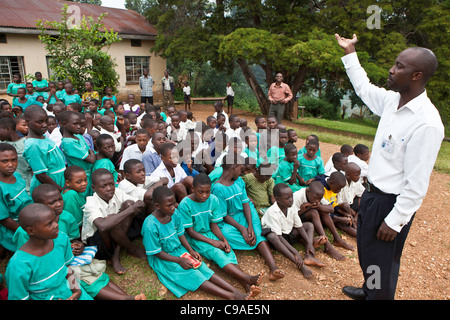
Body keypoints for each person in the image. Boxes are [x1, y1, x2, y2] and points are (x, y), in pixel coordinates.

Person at [335, 33, 444, 300]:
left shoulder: (427, 123)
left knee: (383, 261)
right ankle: (369, 289)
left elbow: (417, 183)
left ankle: (377, 295)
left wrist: (395, 220)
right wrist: (350, 52)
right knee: (369, 252)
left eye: (399, 66)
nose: (391, 70)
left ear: (417, 76)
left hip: (390, 203)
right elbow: (363, 87)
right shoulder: (392, 102)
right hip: (372, 195)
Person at [141, 185, 258, 300]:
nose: (173, 207)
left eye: (174, 203)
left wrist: (191, 251)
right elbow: (157, 252)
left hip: (180, 250)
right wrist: (179, 260)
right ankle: (231, 296)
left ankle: (235, 291)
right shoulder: (150, 225)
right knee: (194, 275)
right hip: (164, 258)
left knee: (204, 269)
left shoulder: (174, 214)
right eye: (169, 205)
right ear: (157, 206)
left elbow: (181, 234)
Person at [177, 173, 264, 295]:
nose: (204, 195)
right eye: (200, 192)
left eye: (208, 192)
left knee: (227, 253)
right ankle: (248, 278)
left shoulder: (213, 200)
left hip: (210, 232)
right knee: (218, 253)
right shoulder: (185, 204)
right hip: (196, 237)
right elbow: (190, 232)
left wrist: (223, 240)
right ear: (192, 189)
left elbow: (214, 225)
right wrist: (214, 242)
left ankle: (247, 286)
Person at [211, 153, 284, 281]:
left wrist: (249, 225)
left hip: (245, 213)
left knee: (256, 228)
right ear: (234, 166)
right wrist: (242, 229)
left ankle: (273, 268)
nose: (242, 171)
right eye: (240, 168)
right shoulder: (217, 188)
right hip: (230, 220)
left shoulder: (239, 181)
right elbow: (224, 215)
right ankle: (255, 242)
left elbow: (245, 203)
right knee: (225, 234)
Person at [5, 203, 92, 300]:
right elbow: (19, 297)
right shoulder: (19, 264)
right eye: (49, 223)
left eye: (54, 220)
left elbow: (67, 268)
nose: (56, 225)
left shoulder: (61, 239)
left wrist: (76, 291)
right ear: (31, 231)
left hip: (67, 288)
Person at [82, 168, 146, 274]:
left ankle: (116, 254)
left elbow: (140, 203)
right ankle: (132, 249)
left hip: (117, 233)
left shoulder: (118, 193)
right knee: (110, 221)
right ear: (94, 188)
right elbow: (102, 226)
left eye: (111, 184)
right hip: (97, 242)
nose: (109, 189)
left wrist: (130, 207)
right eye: (103, 186)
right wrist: (130, 210)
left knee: (128, 204)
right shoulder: (91, 203)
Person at [261, 183, 326, 278]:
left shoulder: (292, 207)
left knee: (309, 225)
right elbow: (279, 237)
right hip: (278, 240)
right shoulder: (272, 212)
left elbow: (299, 226)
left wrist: (309, 244)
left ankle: (309, 256)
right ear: (278, 199)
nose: (291, 200)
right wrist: (295, 252)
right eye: (287, 198)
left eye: (291, 197)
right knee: (272, 236)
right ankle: (300, 265)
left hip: (288, 233)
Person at [23, 105, 66, 193]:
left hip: (59, 180)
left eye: (46, 121)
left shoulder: (43, 137)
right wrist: (60, 190)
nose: (45, 125)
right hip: (50, 186)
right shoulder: (33, 145)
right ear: (27, 122)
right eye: (40, 122)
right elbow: (41, 175)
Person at [0, 143, 33, 252]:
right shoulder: (1, 187)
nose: (11, 164)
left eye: (14, 160)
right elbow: (4, 219)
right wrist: (21, 230)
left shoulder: (17, 176)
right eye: (5, 161)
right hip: (13, 227)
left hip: (28, 220)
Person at [60, 111, 96, 195]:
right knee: (83, 197)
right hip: (80, 177)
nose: (79, 127)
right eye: (75, 124)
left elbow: (90, 153)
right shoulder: (68, 143)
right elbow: (91, 159)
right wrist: (91, 153)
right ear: (64, 124)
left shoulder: (78, 136)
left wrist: (91, 153)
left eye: (80, 124)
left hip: (87, 173)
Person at [0, 117, 32, 193]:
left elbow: (34, 168)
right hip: (6, 187)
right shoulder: (2, 144)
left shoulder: (26, 144)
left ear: (7, 129)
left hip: (26, 186)